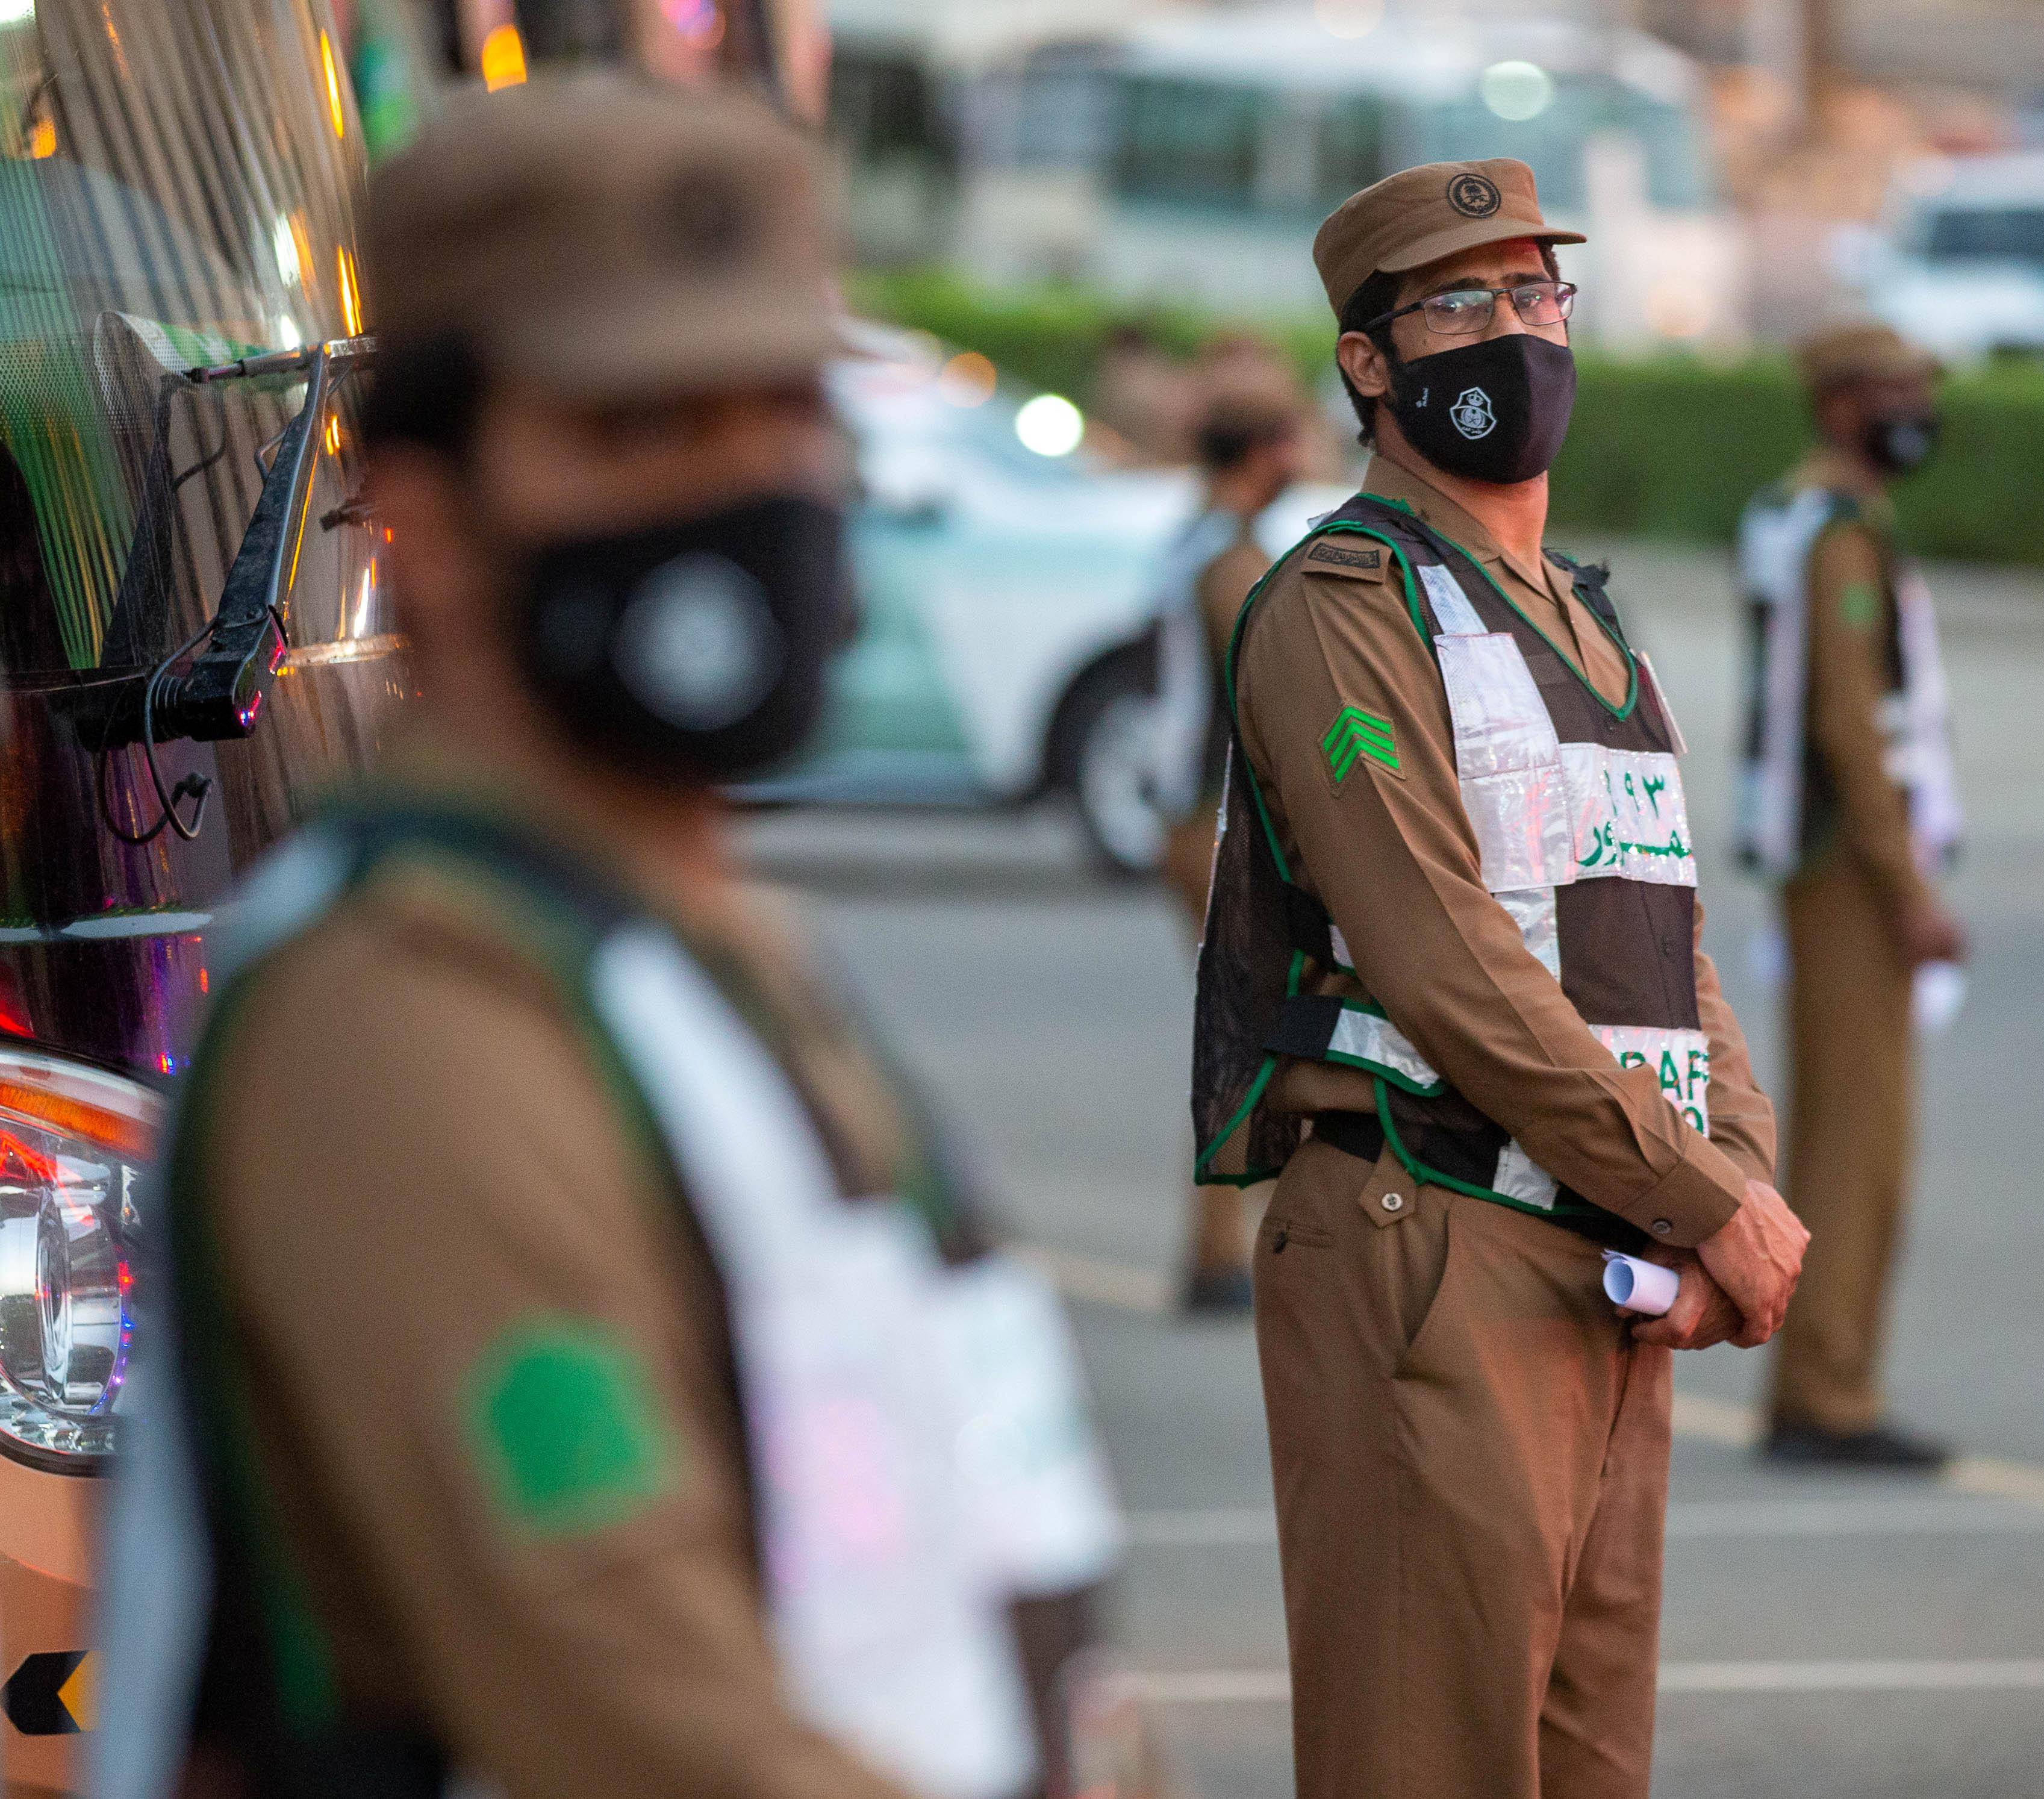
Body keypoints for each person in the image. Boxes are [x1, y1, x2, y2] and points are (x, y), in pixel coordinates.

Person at [89, 77, 1142, 1799]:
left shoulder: (714, 958)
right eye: (639, 426)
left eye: (781, 406)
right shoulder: (404, 1022)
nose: (746, 480)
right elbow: (636, 1697)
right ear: (418, 510)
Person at [1188, 158, 1810, 1799]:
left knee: (1584, 1763)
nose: (1513, 333)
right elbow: (1445, 963)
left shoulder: (1587, 625)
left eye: (1538, 296)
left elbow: (1666, 947)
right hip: (1429, 1241)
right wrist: (1700, 1198)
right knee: (1428, 1761)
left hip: (1602, 1254)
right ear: (1368, 362)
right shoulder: (1341, 604)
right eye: (1459, 303)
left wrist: (1731, 1181)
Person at [1735, 320, 1965, 1470]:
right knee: (1858, 1137)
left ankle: (1814, 1376)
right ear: (1838, 406)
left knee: (1838, 1119)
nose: (1916, 407)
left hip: (1818, 858)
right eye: (1895, 389)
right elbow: (1851, 723)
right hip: (1847, 867)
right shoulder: (1837, 534)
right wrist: (1907, 882)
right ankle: (1829, 1386)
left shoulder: (1801, 513)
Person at [1153, 393, 1307, 1311]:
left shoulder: (1196, 536)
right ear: (1264, 450)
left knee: (1247, 1035)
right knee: (1257, 1038)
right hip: (1215, 825)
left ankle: (1221, 1247)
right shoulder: (1235, 562)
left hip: (1185, 815)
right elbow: (1270, 701)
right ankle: (1221, 1252)